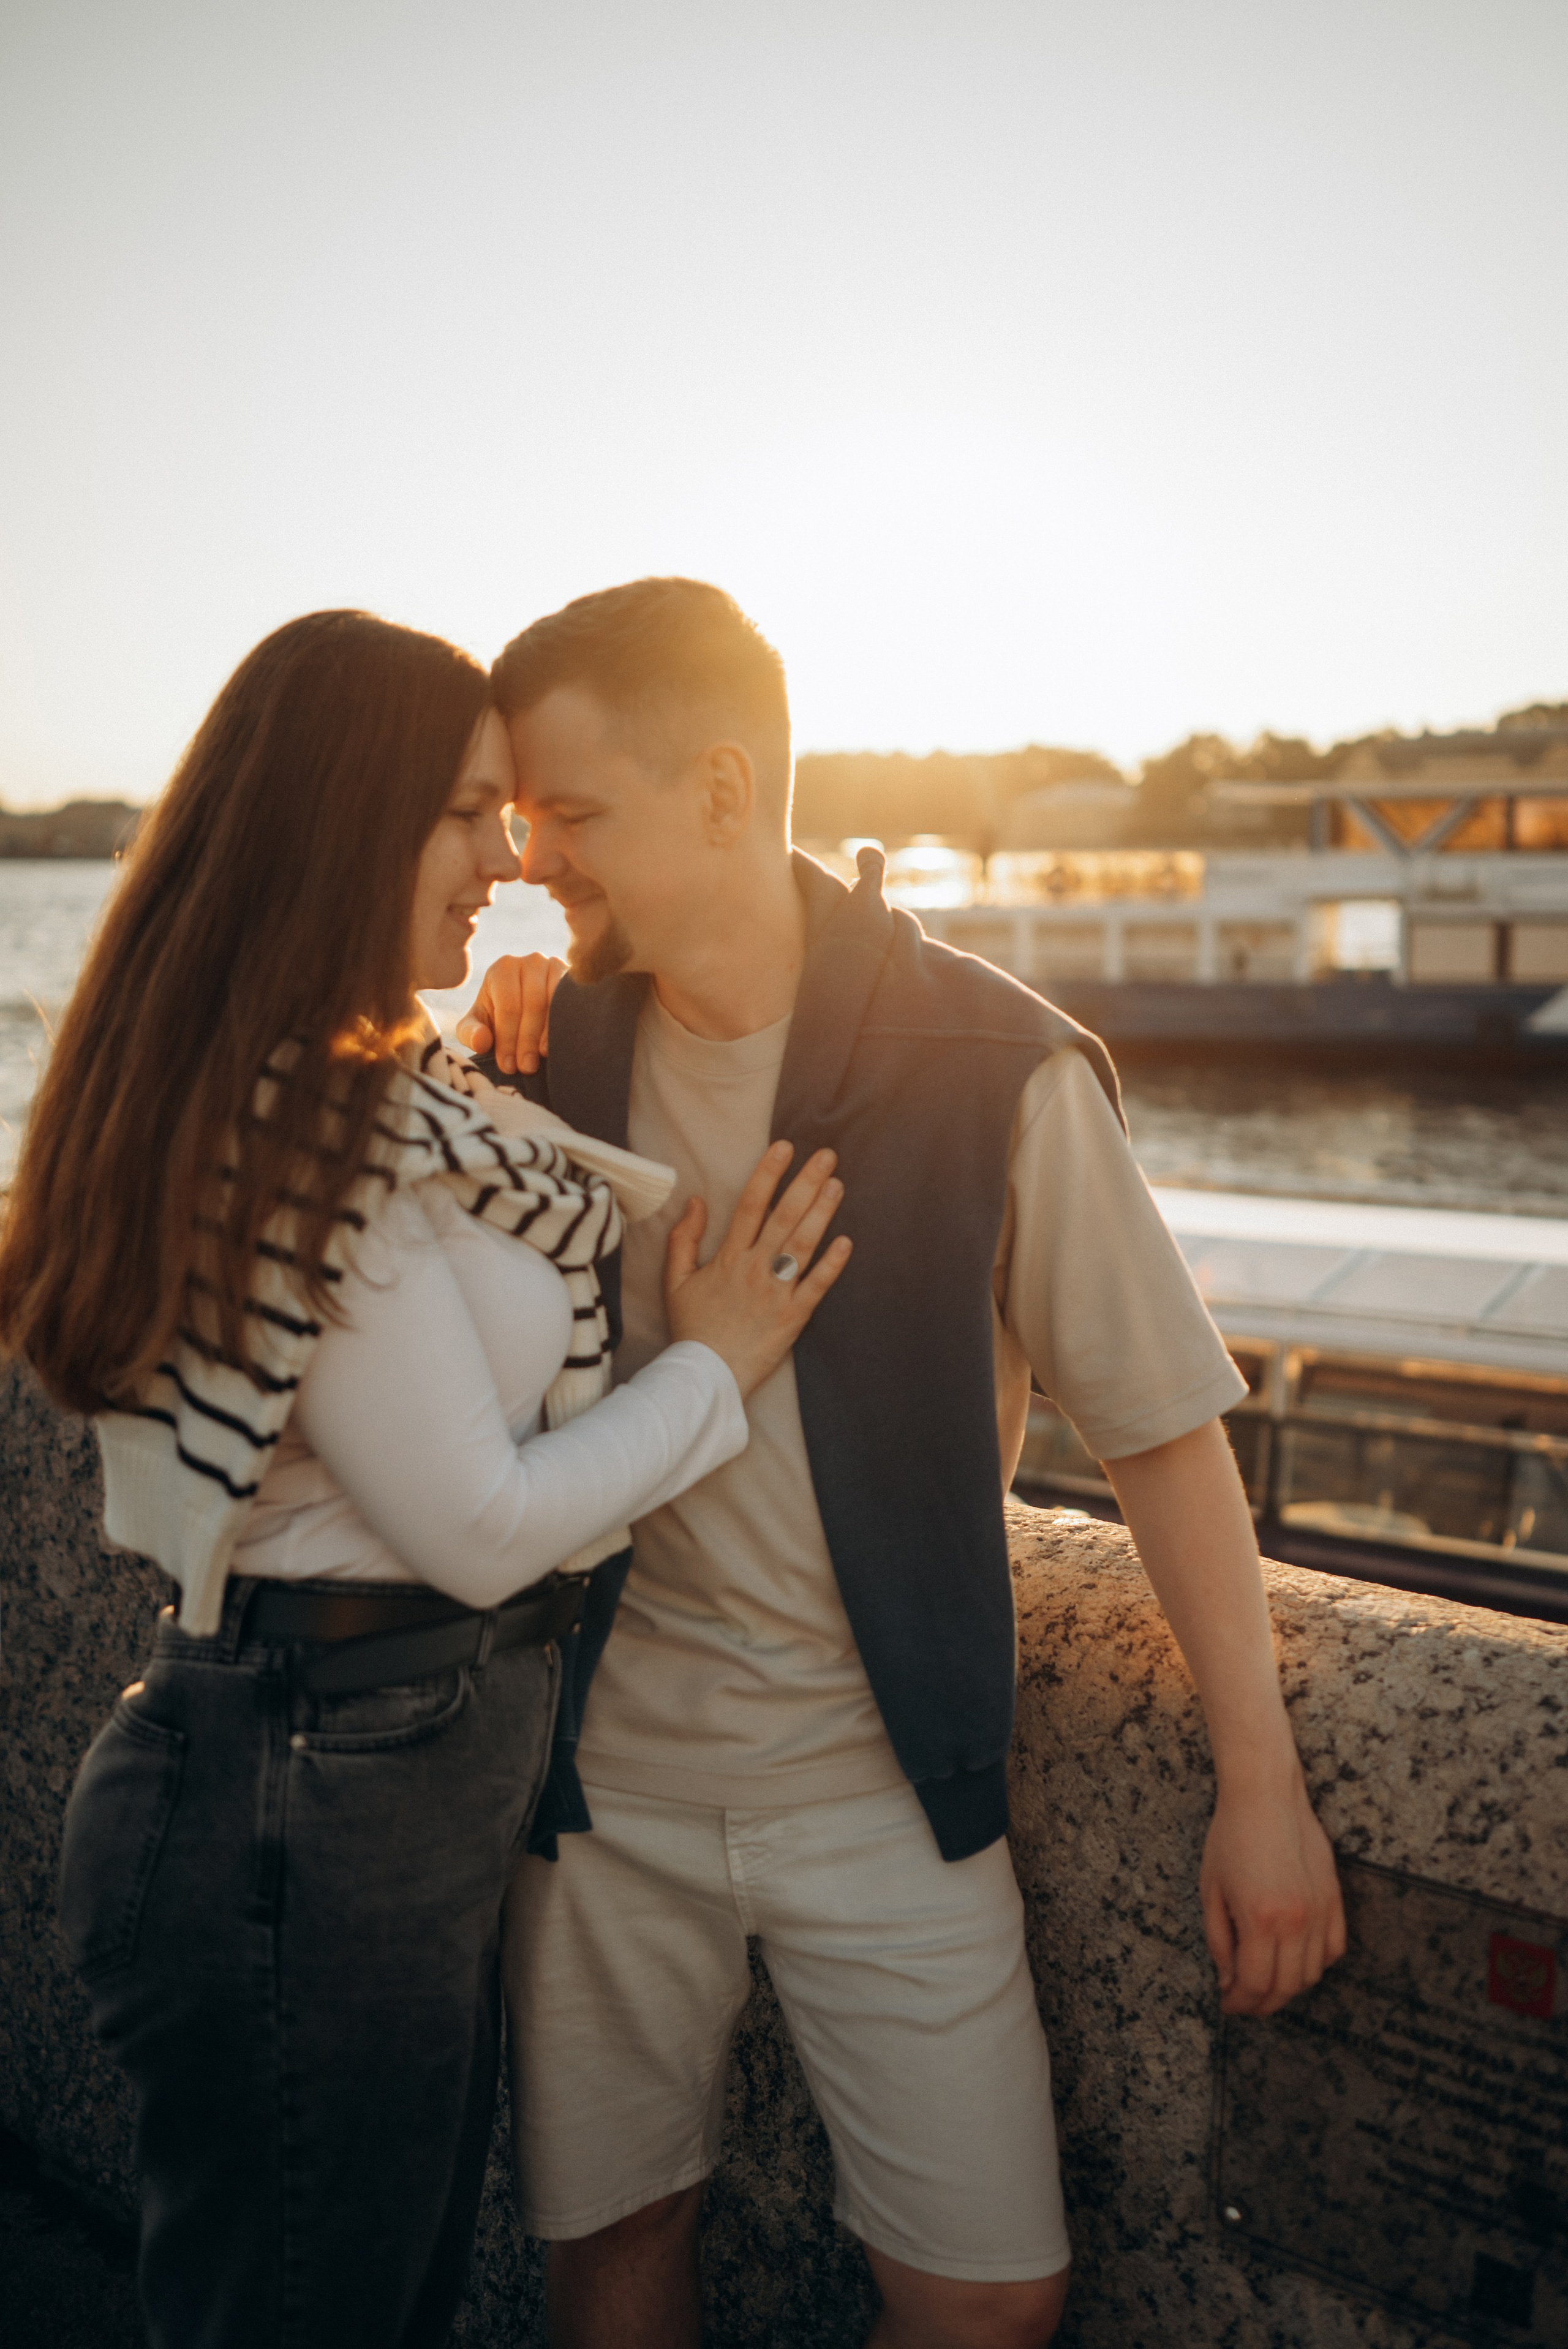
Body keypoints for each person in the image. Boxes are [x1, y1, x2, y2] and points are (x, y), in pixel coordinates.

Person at [460, 576, 1348, 2349]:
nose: (526, 860)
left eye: (570, 818)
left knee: (996, 2292)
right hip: (595, 1785)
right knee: (613, 2245)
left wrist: (1263, 1781)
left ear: (719, 791)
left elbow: (1164, 1432)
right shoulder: (544, 1050)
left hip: (887, 1786)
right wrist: (490, 1027)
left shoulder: (997, 1064)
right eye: (513, 823)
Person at [0, 608, 851, 2349]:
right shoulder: (315, 1126)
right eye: (468, 812)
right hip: (311, 1800)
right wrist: (721, 1361)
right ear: (344, 818)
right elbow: (478, 1528)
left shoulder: (378, 1089)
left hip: (346, 1782)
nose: (509, 859)